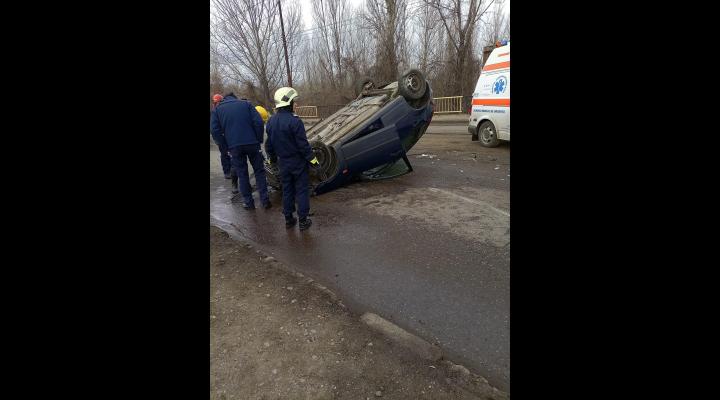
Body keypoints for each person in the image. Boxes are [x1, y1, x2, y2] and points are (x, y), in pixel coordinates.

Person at [265, 87, 320, 231]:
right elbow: (303, 146)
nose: (296, 104)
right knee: (301, 190)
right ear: (287, 102)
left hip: (283, 163)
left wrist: (272, 160)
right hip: (297, 163)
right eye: (294, 101)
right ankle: (303, 220)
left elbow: (269, 144)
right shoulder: (295, 121)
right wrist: (314, 161)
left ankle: (289, 219)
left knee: (287, 190)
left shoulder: (271, 122)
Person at [211, 92, 272, 210]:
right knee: (259, 171)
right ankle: (265, 201)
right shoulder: (246, 104)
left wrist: (225, 146)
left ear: (223, 99)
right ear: (235, 98)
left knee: (242, 174)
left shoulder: (217, 110)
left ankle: (249, 203)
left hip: (234, 146)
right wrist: (258, 139)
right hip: (252, 143)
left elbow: (214, 131)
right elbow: (258, 122)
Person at [209, 94, 234, 180]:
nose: (216, 104)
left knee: (230, 153)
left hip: (227, 135)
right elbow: (213, 128)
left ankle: (232, 170)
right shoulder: (214, 112)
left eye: (218, 102)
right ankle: (227, 171)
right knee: (225, 154)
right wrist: (217, 139)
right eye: (215, 103)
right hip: (222, 136)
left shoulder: (221, 110)